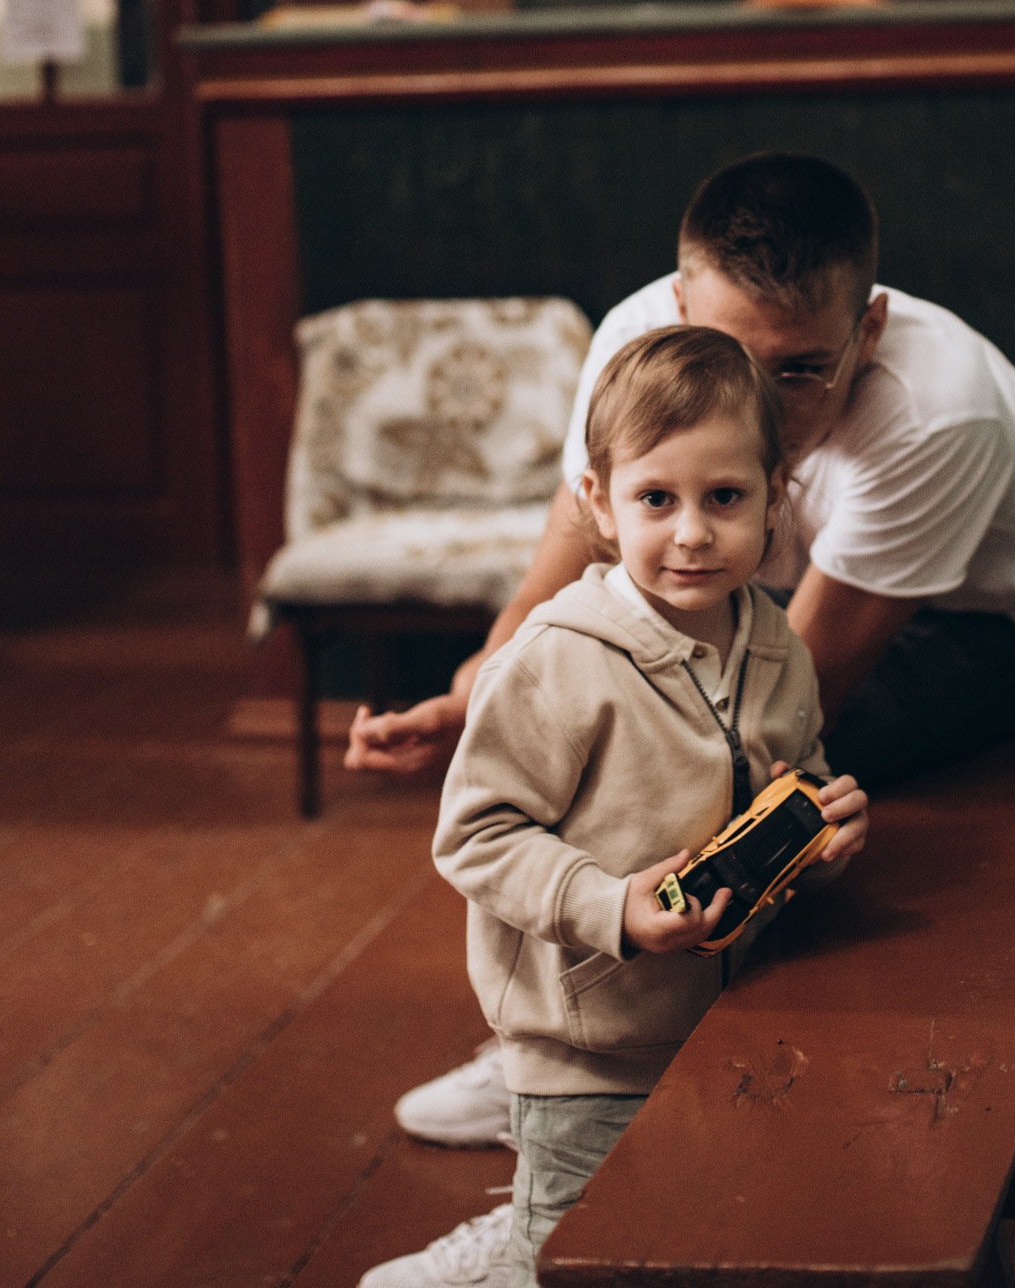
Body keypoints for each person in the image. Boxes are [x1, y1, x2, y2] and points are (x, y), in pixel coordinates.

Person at [358, 150, 1015, 1148]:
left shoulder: (939, 414)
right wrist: (486, 693)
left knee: (689, 777)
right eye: (729, 355)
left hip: (1001, 621)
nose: (760, 408)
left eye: (801, 369)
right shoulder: (638, 339)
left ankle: (601, 1081)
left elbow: (766, 712)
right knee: (615, 754)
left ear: (870, 327)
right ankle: (558, 1065)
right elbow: (578, 543)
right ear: (675, 308)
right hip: (764, 581)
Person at [363, 326, 869, 1288]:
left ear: (777, 498)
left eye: (725, 497)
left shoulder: (778, 645)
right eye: (656, 499)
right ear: (599, 502)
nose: (691, 531)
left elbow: (789, 770)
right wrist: (611, 907)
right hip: (586, 1046)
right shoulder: (556, 661)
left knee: (698, 1230)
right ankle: (512, 1258)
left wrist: (822, 829)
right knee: (576, 1258)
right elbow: (476, 836)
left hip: (734, 1021)